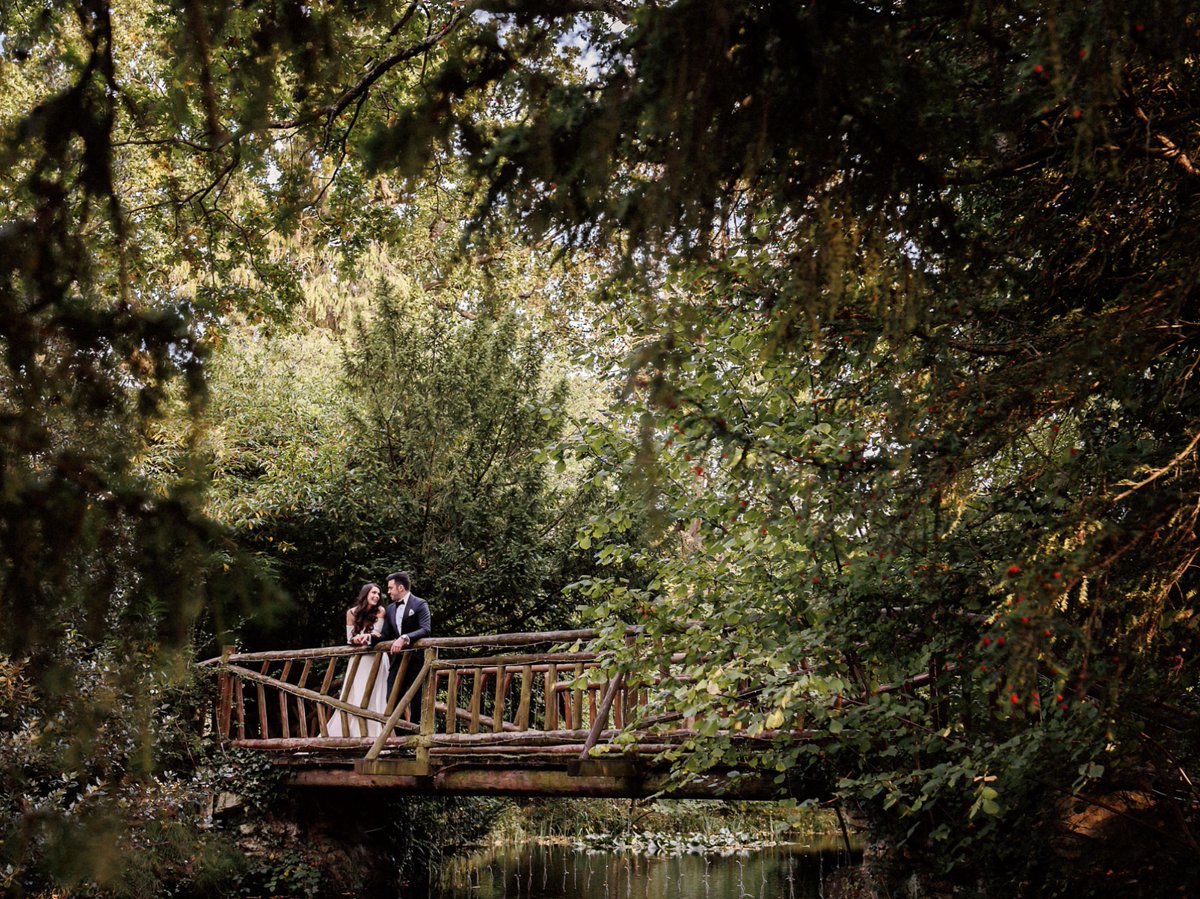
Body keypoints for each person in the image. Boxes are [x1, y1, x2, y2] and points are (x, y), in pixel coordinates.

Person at [327, 583, 389, 738]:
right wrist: (356, 639)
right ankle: (349, 733)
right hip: (358, 660)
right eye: (373, 593)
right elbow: (349, 638)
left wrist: (367, 637)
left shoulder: (380, 611)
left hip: (375, 658)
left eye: (378, 594)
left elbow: (378, 634)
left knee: (374, 694)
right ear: (365, 594)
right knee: (354, 693)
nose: (376, 596)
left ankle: (374, 734)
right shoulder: (351, 613)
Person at [374, 570, 432, 722]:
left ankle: (415, 738)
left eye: (390, 588)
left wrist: (405, 638)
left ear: (401, 588)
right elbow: (385, 635)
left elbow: (425, 629)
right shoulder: (391, 609)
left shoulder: (419, 604)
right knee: (392, 697)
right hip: (397, 660)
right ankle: (399, 740)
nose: (388, 592)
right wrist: (369, 637)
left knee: (416, 699)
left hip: (417, 660)